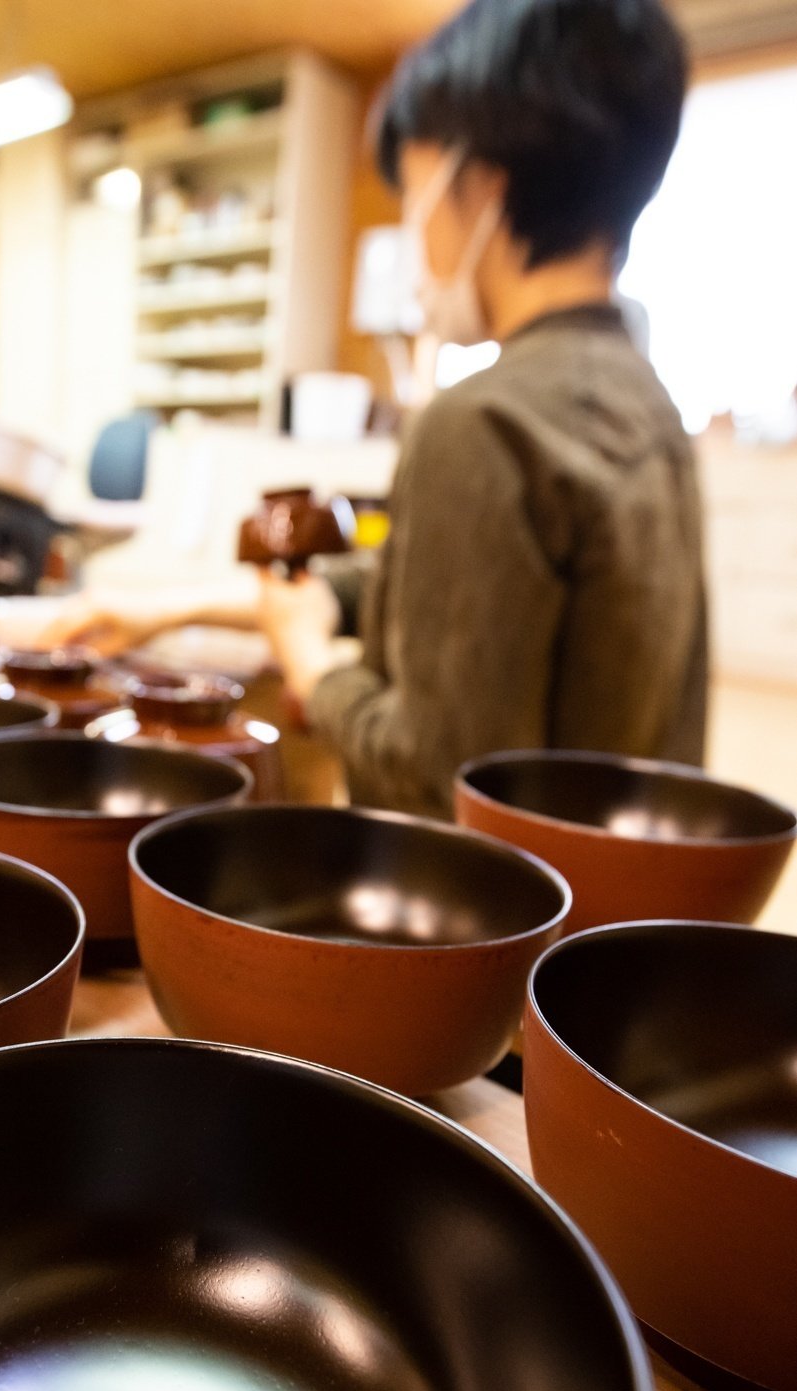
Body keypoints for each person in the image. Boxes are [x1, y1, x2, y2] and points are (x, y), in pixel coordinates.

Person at [259, 0, 707, 815]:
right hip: (609, 883)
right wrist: (338, 593)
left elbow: (434, 775)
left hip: (478, 898)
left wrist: (315, 671)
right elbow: (505, 597)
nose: (415, 233)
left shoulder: (482, 423)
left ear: (481, 181)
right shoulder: (647, 407)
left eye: (413, 193)